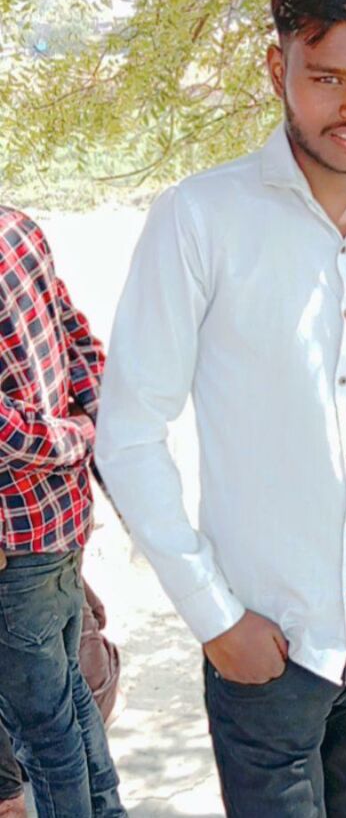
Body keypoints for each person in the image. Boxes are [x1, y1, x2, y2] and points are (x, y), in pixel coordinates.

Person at [95, 0, 346, 814]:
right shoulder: (200, 220)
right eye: (328, 78)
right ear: (279, 69)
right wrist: (214, 617)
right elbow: (128, 434)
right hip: (266, 650)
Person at [0, 205, 127, 817]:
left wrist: (74, 439)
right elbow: (83, 348)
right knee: (70, 706)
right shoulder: (16, 228)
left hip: (14, 545)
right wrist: (96, 434)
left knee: (44, 735)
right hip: (61, 523)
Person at [0, 578, 121, 818]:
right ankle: (109, 811)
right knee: (65, 701)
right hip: (55, 574)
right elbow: (99, 613)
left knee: (46, 733)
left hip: (19, 585)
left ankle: (8, 800)